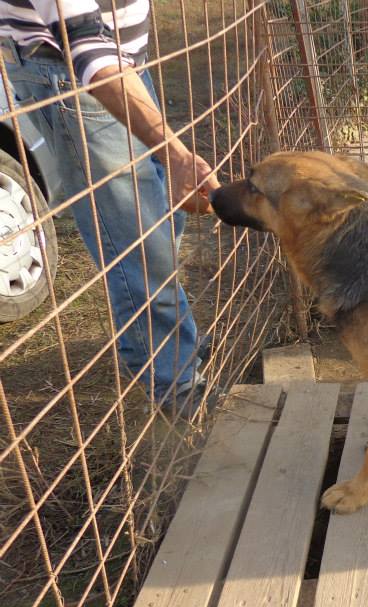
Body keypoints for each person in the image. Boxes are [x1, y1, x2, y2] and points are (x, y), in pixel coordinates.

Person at [0, 0, 220, 417]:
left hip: (120, 60)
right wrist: (176, 154)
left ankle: (162, 342)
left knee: (162, 217)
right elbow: (85, 45)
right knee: (138, 243)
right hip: (78, 70)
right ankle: (175, 383)